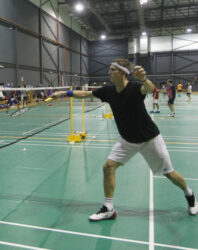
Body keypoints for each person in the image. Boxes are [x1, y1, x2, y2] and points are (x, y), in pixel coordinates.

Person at [52, 59, 198, 221]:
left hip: (149, 139)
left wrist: (143, 78)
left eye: (112, 70)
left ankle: (190, 194)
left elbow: (149, 88)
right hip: (127, 140)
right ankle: (108, 208)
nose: (109, 73)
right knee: (108, 167)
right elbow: (85, 94)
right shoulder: (108, 90)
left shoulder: (135, 88)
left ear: (122, 72)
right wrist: (64, 93)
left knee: (169, 174)